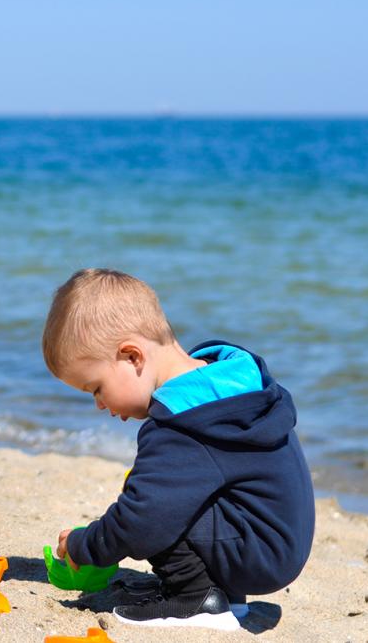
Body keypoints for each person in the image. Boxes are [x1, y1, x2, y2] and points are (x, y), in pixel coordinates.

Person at [41, 268, 313, 630]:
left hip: (258, 555)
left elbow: (143, 521)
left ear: (132, 357)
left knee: (152, 499)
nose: (100, 405)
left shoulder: (181, 424)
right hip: (276, 541)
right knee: (169, 487)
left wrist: (84, 545)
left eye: (96, 388)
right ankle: (223, 593)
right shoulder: (229, 384)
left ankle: (196, 597)